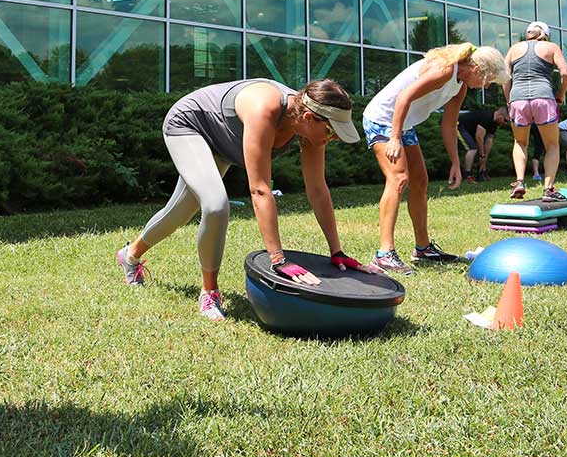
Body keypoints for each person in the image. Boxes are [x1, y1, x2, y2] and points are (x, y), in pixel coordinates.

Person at [116, 79, 378, 321]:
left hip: (222, 142)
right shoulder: (265, 108)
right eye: (331, 131)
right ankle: (210, 293)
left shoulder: (310, 128)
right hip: (191, 125)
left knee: (181, 211)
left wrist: (337, 252)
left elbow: (318, 189)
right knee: (216, 205)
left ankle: (130, 256)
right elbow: (260, 190)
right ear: (309, 117)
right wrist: (279, 259)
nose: (333, 138)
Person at [363, 43, 507, 274]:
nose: (486, 85)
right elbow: (404, 97)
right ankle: (383, 254)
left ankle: (423, 249)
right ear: (477, 69)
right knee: (399, 178)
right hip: (382, 119)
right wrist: (394, 138)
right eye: (487, 79)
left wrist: (456, 163)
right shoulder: (443, 70)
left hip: (404, 123)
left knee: (420, 181)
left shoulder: (459, 85)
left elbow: (449, 124)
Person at [502, 21, 567, 200]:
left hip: (518, 99)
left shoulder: (514, 48)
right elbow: (566, 74)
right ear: (546, 34)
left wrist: (509, 100)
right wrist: (561, 93)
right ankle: (548, 189)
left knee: (520, 142)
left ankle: (519, 182)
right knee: (552, 145)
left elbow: (504, 78)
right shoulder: (551, 47)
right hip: (543, 98)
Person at [458, 107, 506, 182]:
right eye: (505, 120)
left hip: (469, 131)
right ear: (500, 115)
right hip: (459, 126)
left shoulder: (494, 124)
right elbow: (479, 136)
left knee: (478, 151)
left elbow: (488, 141)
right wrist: (481, 155)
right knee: (472, 149)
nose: (505, 123)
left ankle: (481, 172)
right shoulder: (487, 117)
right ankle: (467, 175)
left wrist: (484, 158)